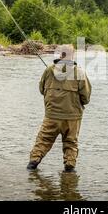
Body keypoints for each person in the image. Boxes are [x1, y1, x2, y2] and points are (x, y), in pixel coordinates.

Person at [27, 45, 92, 173]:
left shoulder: (49, 70)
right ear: (72, 56)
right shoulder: (79, 72)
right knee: (71, 143)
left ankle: (32, 166)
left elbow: (41, 90)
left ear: (59, 55)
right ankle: (69, 169)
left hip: (51, 116)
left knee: (43, 141)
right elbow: (86, 97)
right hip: (72, 118)